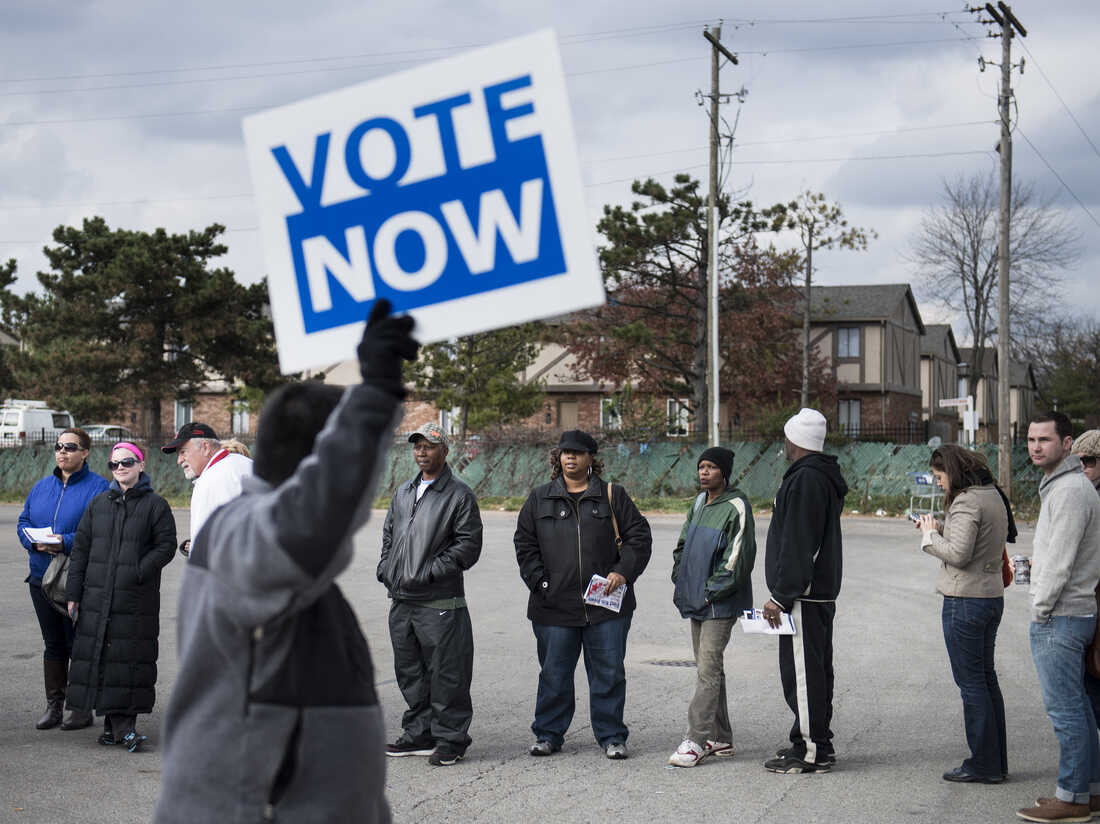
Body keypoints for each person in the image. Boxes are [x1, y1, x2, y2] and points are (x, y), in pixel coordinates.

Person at [153, 300, 418, 824]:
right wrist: (375, 395)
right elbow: (317, 514)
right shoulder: (245, 537)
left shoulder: (259, 546)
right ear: (319, 461)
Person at [514, 430, 652, 760]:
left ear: (591, 458)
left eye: (577, 452)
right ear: (558, 458)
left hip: (605, 606)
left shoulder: (612, 496)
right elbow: (525, 544)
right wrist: (541, 584)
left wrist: (623, 572)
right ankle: (548, 734)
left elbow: (638, 537)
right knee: (554, 674)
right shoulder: (540, 498)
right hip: (554, 606)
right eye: (565, 453)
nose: (570, 458)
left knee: (608, 673)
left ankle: (612, 736)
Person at [379, 421, 483, 767]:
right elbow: (390, 535)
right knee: (411, 672)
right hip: (402, 600)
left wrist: (427, 572)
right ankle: (419, 734)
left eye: (429, 446)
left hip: (439, 601)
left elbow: (468, 547)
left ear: (445, 451)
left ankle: (451, 739)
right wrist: (386, 568)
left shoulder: (459, 495)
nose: (422, 452)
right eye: (417, 446)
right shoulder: (404, 492)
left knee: (447, 674)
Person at [65, 442, 177, 752]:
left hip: (134, 599)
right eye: (114, 464)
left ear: (141, 465)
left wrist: (138, 571)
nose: (120, 468)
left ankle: (124, 728)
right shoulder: (98, 504)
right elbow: (81, 550)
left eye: (127, 462)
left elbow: (166, 545)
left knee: (128, 660)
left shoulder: (156, 505)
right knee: (102, 657)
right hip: (96, 596)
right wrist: (73, 593)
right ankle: (114, 729)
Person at [1017, 412, 1100, 824]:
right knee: (1079, 709)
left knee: (1066, 712)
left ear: (1067, 444)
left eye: (1045, 439)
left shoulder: (1069, 490)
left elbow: (1061, 561)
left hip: (1061, 616)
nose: (1036, 446)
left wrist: (1041, 608)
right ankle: (1091, 792)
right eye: (1032, 439)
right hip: (1072, 613)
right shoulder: (1067, 486)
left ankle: (1072, 799)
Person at [916, 445, 1014, 784]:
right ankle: (996, 761)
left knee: (972, 684)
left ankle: (983, 764)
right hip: (990, 596)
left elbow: (958, 554)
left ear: (953, 471)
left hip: (965, 599)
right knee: (986, 679)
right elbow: (977, 541)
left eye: (939, 476)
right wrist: (941, 529)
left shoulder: (966, 501)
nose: (938, 483)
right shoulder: (991, 494)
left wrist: (929, 535)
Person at [760, 408, 847, 774]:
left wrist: (781, 595)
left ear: (794, 439)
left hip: (802, 595)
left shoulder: (806, 479)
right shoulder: (817, 476)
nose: (784, 443)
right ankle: (813, 741)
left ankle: (812, 750)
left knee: (803, 674)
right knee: (815, 670)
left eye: (786, 437)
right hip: (815, 593)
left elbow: (800, 542)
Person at [668, 446, 756, 768]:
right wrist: (682, 579)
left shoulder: (736, 506)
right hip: (697, 598)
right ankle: (720, 737)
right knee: (710, 670)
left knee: (707, 669)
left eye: (711, 467)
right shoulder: (698, 503)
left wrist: (709, 592)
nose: (704, 472)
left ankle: (695, 740)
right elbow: (683, 546)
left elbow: (738, 560)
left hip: (720, 602)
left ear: (724, 473)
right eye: (701, 466)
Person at [17, 427, 109, 731]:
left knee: (78, 643)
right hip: (41, 578)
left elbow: (101, 531)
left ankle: (81, 708)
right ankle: (54, 706)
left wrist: (64, 542)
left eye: (70, 447)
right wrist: (34, 542)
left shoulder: (99, 487)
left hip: (76, 578)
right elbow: (23, 521)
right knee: (53, 644)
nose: (62, 452)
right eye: (58, 447)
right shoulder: (42, 486)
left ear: (85, 452)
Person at [161, 421, 252, 555]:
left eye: (183, 452)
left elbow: (203, 547)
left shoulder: (209, 480)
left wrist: (194, 547)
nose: (179, 461)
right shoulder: (245, 463)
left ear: (205, 447)